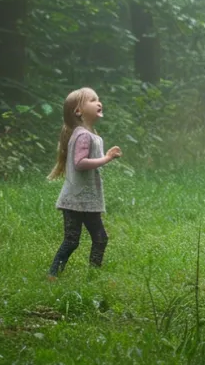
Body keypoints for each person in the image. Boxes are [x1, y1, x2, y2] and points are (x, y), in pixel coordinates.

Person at [47, 87, 123, 279]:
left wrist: (105, 156)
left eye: (98, 99)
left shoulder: (91, 135)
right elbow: (80, 163)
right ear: (78, 111)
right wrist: (106, 159)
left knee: (100, 238)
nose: (99, 102)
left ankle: (93, 276)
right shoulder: (82, 135)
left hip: (87, 200)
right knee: (72, 240)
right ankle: (53, 274)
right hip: (75, 201)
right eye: (92, 100)